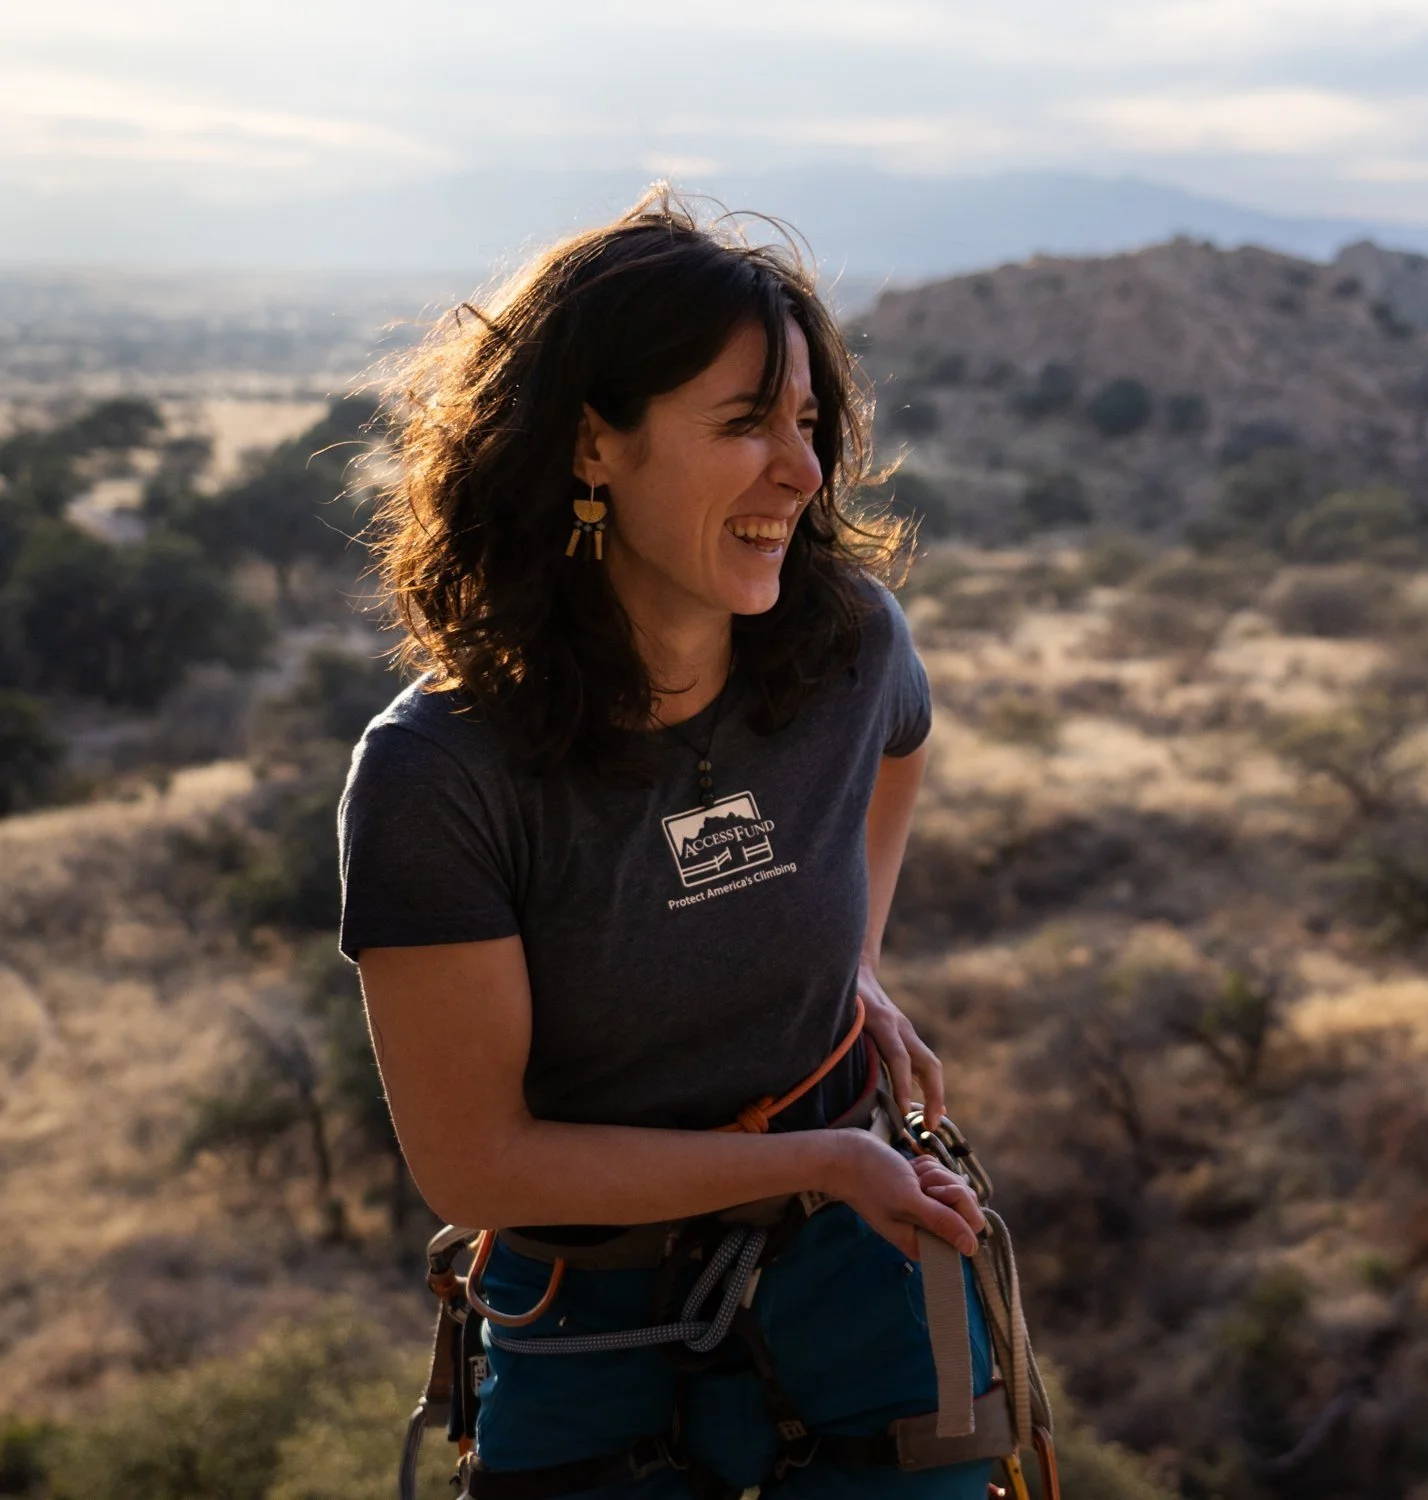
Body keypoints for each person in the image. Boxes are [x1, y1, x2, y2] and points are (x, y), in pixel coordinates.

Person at [338, 187, 1002, 1500]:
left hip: (859, 1270)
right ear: (595, 445)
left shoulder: (851, 647)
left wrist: (854, 965)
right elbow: (476, 1163)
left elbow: (901, 748)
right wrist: (817, 1158)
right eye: (746, 423)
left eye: (806, 423)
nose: (802, 472)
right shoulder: (441, 773)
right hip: (590, 1316)